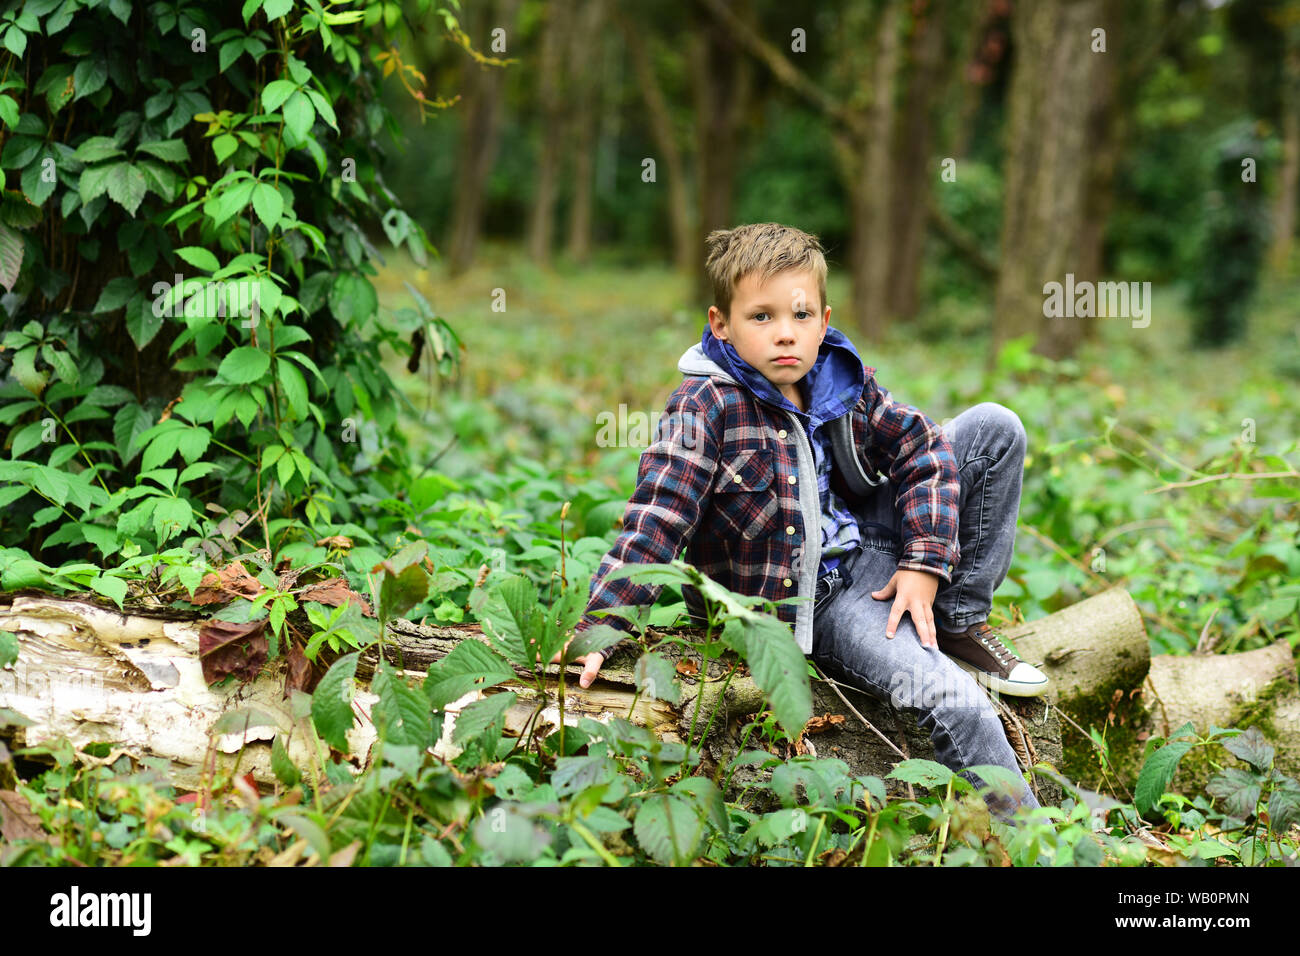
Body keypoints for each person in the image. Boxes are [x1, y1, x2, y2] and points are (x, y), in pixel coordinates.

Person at [566, 222, 1049, 818]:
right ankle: (1037, 839)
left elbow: (921, 449)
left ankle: (954, 620)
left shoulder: (835, 376)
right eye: (761, 317)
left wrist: (923, 560)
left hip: (868, 544)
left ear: (824, 320)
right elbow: (659, 515)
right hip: (815, 599)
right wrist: (605, 621)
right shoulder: (706, 406)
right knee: (957, 703)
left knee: (994, 428)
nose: (785, 335)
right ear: (722, 324)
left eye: (800, 315)